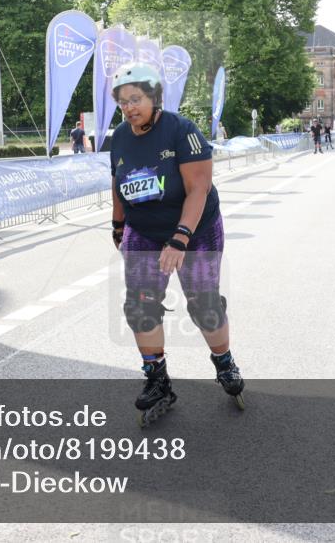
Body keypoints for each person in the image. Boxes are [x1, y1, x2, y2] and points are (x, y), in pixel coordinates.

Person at [109, 62, 244, 425]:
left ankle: (224, 362)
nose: (129, 108)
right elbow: (118, 183)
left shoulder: (181, 130)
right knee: (139, 306)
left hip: (195, 229)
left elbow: (199, 188)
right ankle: (157, 379)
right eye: (123, 102)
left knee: (204, 305)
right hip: (144, 229)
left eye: (136, 99)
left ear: (154, 97)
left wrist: (180, 238)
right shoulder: (120, 137)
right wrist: (118, 226)